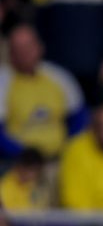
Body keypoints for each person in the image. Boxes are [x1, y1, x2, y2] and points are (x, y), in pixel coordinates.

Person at [0, 23, 87, 160]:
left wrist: (68, 148)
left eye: (28, 46)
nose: (25, 53)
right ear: (11, 54)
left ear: (40, 47)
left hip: (60, 157)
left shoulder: (59, 76)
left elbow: (79, 118)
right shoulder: (3, 81)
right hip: (19, 162)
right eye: (18, 49)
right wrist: (25, 155)